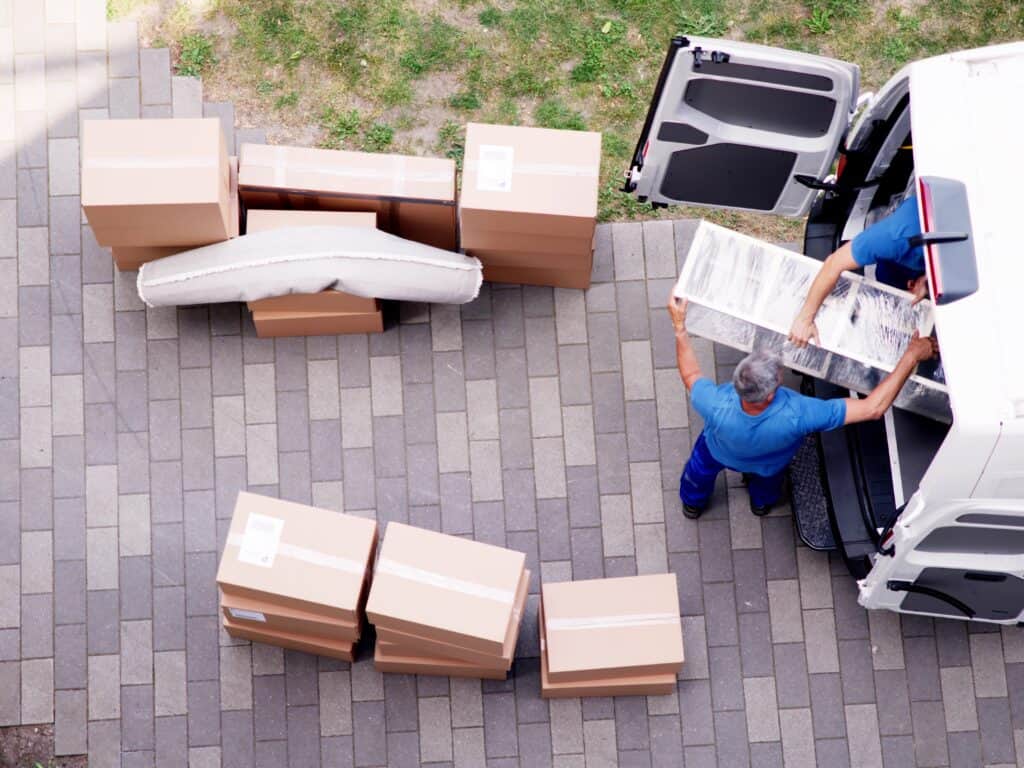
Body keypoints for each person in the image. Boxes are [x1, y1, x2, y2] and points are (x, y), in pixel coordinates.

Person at [668, 295, 938, 518]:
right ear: (771, 392)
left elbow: (690, 375)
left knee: (699, 471)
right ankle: (761, 504)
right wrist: (911, 355)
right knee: (768, 482)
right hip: (769, 464)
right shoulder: (798, 414)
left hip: (718, 451)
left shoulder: (715, 404)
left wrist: (680, 327)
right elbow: (872, 408)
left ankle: (693, 504)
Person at [790, 194, 928, 348]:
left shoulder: (902, 240)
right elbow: (834, 263)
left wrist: (927, 279)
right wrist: (805, 318)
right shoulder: (894, 238)